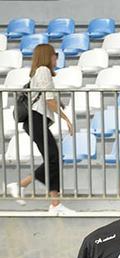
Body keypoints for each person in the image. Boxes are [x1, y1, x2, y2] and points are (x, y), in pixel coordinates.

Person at [6, 43, 73, 213]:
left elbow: (48, 97)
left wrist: (60, 104)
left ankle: (55, 204)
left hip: (36, 120)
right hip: (36, 120)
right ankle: (21, 185)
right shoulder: (43, 70)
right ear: (47, 56)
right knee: (53, 158)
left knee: (52, 158)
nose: (56, 58)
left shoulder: (40, 72)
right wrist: (66, 120)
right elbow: (49, 100)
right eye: (54, 55)